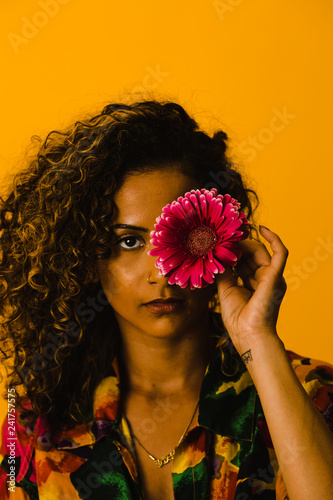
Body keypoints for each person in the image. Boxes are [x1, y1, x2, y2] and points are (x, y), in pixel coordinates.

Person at [0, 100, 332, 500]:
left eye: (185, 235)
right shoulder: (35, 424)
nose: (161, 271)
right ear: (85, 256)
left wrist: (257, 340)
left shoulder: (311, 392)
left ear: (220, 236)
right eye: (129, 241)